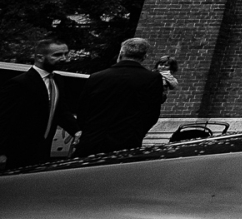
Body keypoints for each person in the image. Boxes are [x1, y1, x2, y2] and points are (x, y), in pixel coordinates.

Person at [75, 37, 167, 157]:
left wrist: (87, 131)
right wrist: (137, 132)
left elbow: (83, 109)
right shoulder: (152, 79)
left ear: (121, 53)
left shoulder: (97, 77)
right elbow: (152, 112)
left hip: (93, 138)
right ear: (144, 57)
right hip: (128, 140)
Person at [0, 38, 75, 169]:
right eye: (57, 55)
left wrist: (77, 131)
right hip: (18, 151)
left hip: (44, 149)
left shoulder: (58, 80)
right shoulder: (20, 83)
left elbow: (61, 110)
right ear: (40, 57)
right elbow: (4, 119)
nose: (64, 58)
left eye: (65, 54)